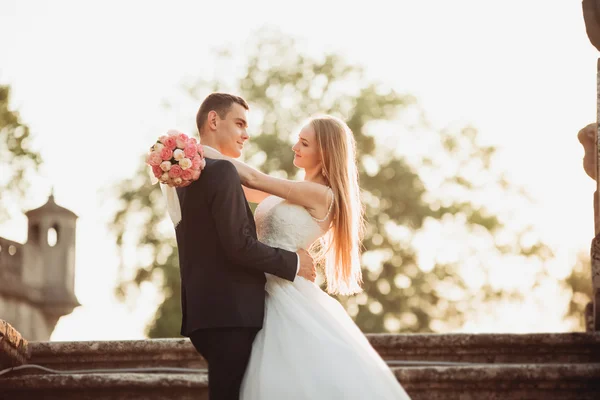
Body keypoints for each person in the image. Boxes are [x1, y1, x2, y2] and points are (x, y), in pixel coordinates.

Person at [203, 113, 411, 399]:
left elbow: (251, 176)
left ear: (325, 152)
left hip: (284, 292)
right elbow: (238, 186)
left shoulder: (321, 195)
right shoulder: (290, 190)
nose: (294, 147)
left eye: (304, 143)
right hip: (256, 286)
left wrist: (195, 149)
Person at [173, 93, 317, 400]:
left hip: (202, 315)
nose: (246, 134)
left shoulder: (184, 178)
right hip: (232, 316)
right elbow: (238, 246)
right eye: (239, 124)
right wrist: (294, 263)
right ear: (214, 120)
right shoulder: (222, 171)